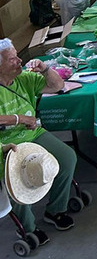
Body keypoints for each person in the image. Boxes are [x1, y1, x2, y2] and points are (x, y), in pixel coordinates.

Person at [0, 39, 79, 238]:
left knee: (67, 158)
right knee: (13, 177)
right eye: (12, 59)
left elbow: (57, 85)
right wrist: (19, 118)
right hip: (6, 144)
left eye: (17, 55)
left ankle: (55, 209)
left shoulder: (23, 78)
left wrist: (45, 68)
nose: (19, 60)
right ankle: (27, 227)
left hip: (32, 135)